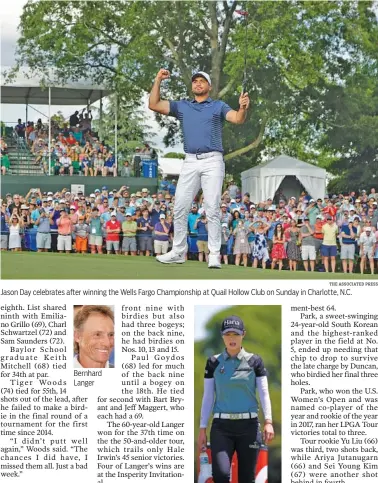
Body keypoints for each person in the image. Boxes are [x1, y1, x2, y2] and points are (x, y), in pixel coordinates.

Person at [149, 68, 249, 268]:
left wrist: (243, 108)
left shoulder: (218, 106)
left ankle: (214, 254)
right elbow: (154, 104)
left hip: (213, 160)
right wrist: (158, 79)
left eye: (202, 81)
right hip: (190, 160)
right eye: (195, 81)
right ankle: (178, 252)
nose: (198, 83)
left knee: (211, 207)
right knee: (179, 207)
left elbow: (237, 119)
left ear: (209, 86)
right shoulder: (183, 106)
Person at [198, 316, 274, 483]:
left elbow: (264, 392)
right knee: (221, 475)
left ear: (243, 335)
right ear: (222, 336)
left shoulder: (255, 362)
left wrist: (268, 421)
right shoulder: (212, 363)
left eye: (236, 334)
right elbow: (208, 397)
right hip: (221, 428)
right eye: (228, 334)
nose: (232, 338)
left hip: (249, 428)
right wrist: (202, 428)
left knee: (247, 478)